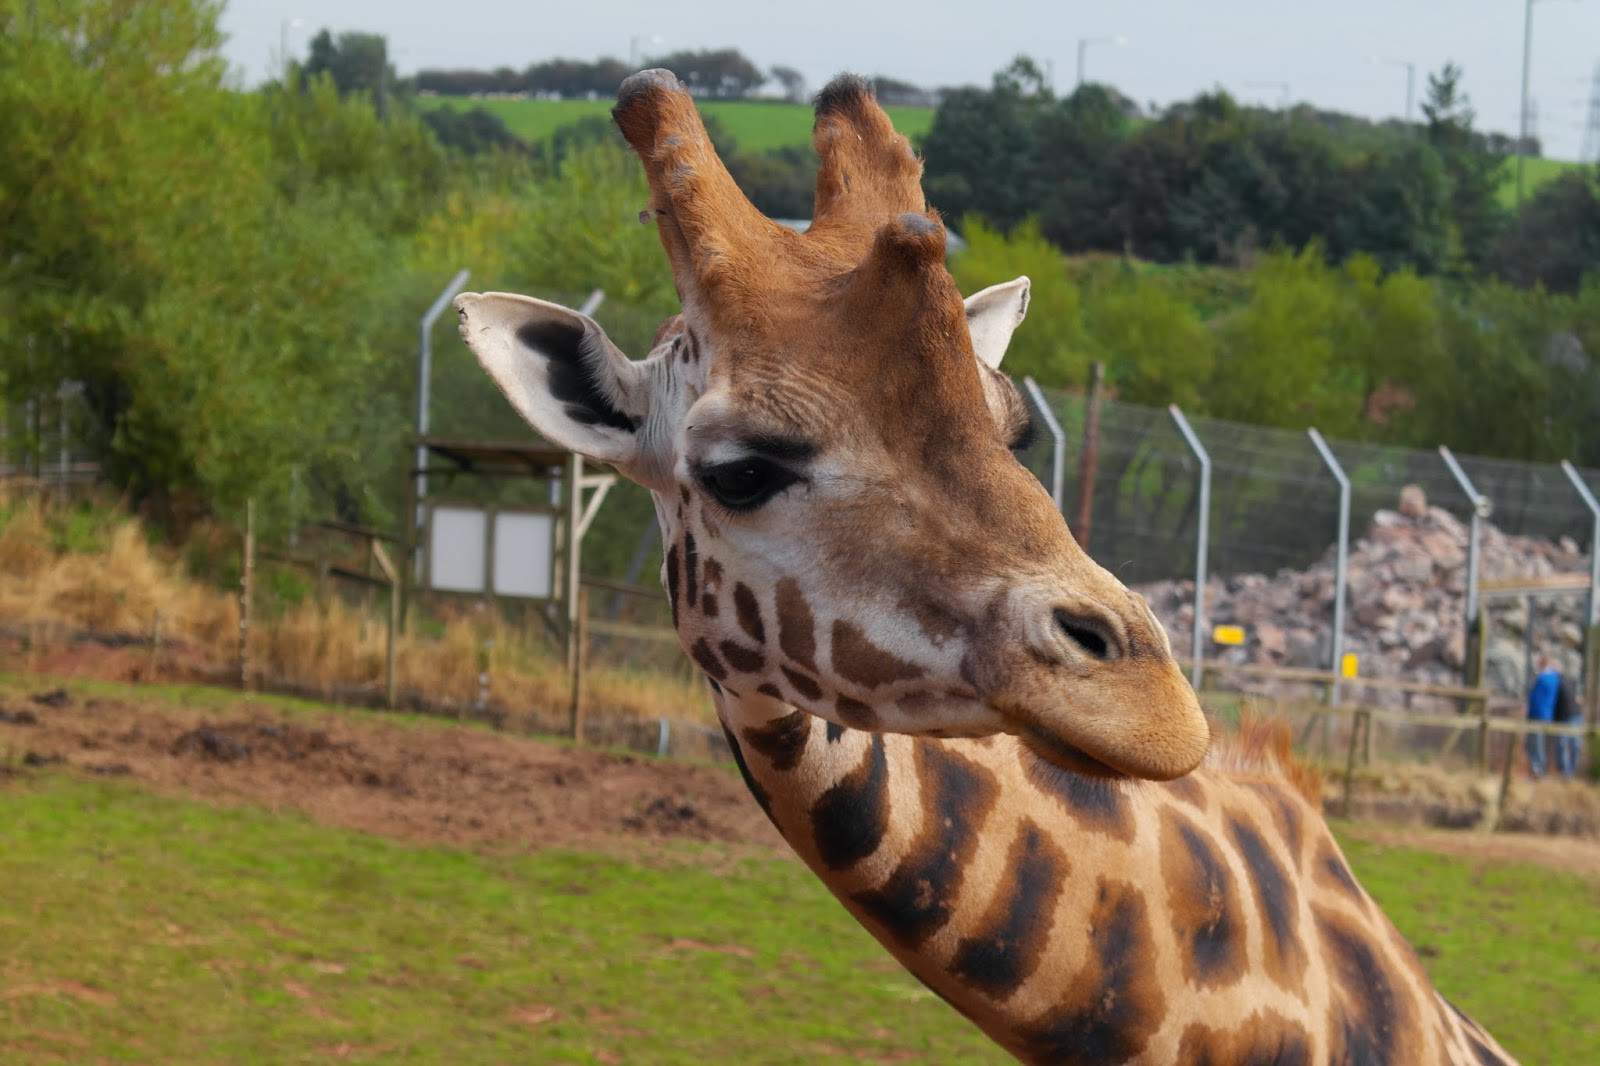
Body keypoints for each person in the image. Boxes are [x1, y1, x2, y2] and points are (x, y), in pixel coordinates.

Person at [1525, 657, 1561, 779]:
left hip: (1537, 714)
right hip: (1547, 714)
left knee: (1535, 744)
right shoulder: (1555, 678)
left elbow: (1536, 699)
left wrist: (1530, 714)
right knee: (1540, 744)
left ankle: (1538, 771)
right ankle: (1540, 770)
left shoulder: (1543, 678)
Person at [1552, 669, 1583, 779]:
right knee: (1571, 744)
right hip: (1572, 716)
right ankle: (1568, 773)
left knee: (1568, 745)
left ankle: (1569, 773)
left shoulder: (1560, 684)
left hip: (1569, 717)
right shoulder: (1571, 682)